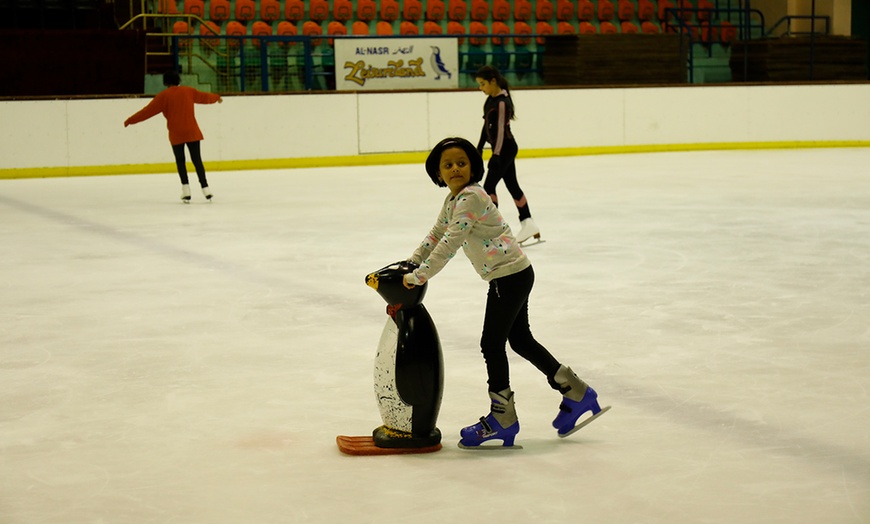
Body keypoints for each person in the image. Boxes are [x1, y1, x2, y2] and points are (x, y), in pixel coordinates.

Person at [402, 137, 608, 449]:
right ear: (438, 172)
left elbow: (451, 242)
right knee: (521, 340)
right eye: (448, 165)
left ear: (473, 166)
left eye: (461, 162)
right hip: (514, 274)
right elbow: (436, 234)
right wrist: (413, 259)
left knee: (491, 344)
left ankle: (503, 417)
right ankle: (576, 392)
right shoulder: (453, 200)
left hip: (509, 277)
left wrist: (419, 275)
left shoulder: (470, 197)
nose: (455, 168)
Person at [124, 70, 222, 203]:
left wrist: (130, 120)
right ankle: (206, 189)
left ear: (165, 82)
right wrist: (217, 97)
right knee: (197, 160)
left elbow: (147, 112)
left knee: (180, 161)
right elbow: (204, 97)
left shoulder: (163, 96)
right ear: (178, 80)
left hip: (176, 132)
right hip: (191, 130)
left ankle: (186, 190)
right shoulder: (189, 91)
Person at [475, 65, 541, 245]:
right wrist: (479, 147)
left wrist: (495, 155)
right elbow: (486, 126)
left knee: (488, 187)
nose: (481, 88)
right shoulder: (490, 100)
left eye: (483, 84)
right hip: (500, 149)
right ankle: (528, 222)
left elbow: (502, 131)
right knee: (512, 185)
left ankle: (493, 229)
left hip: (505, 149)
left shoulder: (503, 102)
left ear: (493, 81)